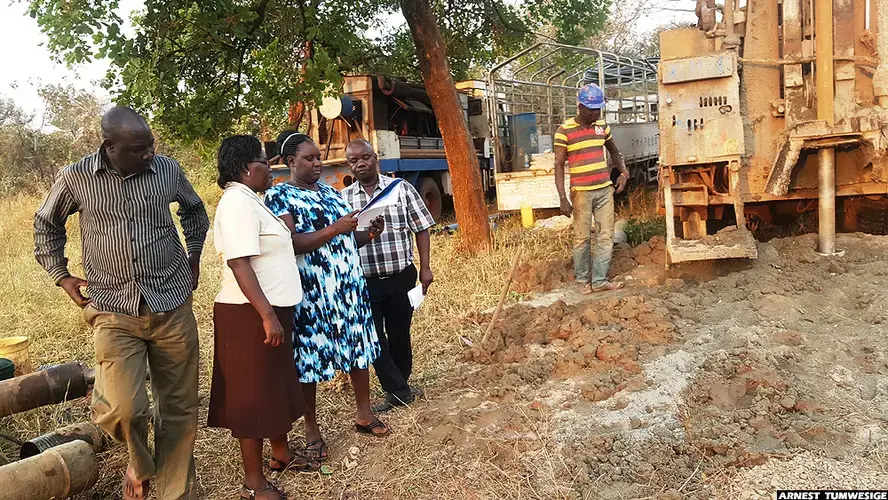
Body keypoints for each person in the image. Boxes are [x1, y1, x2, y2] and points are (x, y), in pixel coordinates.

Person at [33, 107, 209, 500]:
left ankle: (175, 493)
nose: (149, 154)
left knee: (178, 408)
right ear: (109, 147)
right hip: (113, 308)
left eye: (151, 146)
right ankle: (140, 463)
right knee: (123, 409)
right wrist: (62, 276)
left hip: (172, 301)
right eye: (139, 149)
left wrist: (194, 255)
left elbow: (195, 211)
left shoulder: (166, 170)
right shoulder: (76, 177)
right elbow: (46, 224)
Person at [264, 131, 389, 463]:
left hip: (348, 288)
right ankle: (312, 431)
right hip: (313, 293)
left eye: (319, 157)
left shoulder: (332, 195)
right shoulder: (280, 197)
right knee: (310, 361)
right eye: (309, 158)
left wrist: (368, 233)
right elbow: (292, 243)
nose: (318, 163)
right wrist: (336, 228)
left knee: (358, 347)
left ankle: (364, 413)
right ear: (291, 162)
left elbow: (345, 240)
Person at [209, 136, 319, 500]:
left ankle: (281, 454)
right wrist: (267, 315)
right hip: (249, 314)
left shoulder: (252, 202)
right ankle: (253, 482)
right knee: (252, 395)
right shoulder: (236, 204)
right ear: (245, 169)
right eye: (263, 161)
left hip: (268, 311)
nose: (270, 167)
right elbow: (239, 262)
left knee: (272, 386)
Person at [341, 139, 435, 412]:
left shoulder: (401, 189)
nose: (360, 164)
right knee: (373, 337)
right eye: (353, 160)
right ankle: (397, 389)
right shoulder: (344, 198)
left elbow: (422, 228)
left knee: (399, 333)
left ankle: (400, 386)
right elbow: (343, 239)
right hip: (365, 281)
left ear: (375, 157)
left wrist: (425, 267)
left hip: (401, 275)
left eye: (365, 157)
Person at [555, 83, 629, 294]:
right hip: (581, 192)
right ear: (580, 107)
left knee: (605, 236)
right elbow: (559, 165)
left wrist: (623, 173)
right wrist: (562, 197)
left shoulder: (602, 127)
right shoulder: (564, 131)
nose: (596, 113)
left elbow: (615, 153)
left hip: (605, 190)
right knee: (582, 238)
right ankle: (582, 280)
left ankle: (599, 280)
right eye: (591, 109)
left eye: (598, 109)